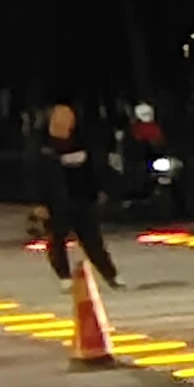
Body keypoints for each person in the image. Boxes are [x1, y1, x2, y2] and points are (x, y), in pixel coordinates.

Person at [38, 102, 119, 286]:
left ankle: (110, 274)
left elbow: (94, 169)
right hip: (57, 202)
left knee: (93, 240)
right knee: (57, 239)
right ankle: (64, 277)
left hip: (83, 199)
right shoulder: (44, 146)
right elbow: (38, 176)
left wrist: (101, 189)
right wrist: (40, 202)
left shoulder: (84, 141)